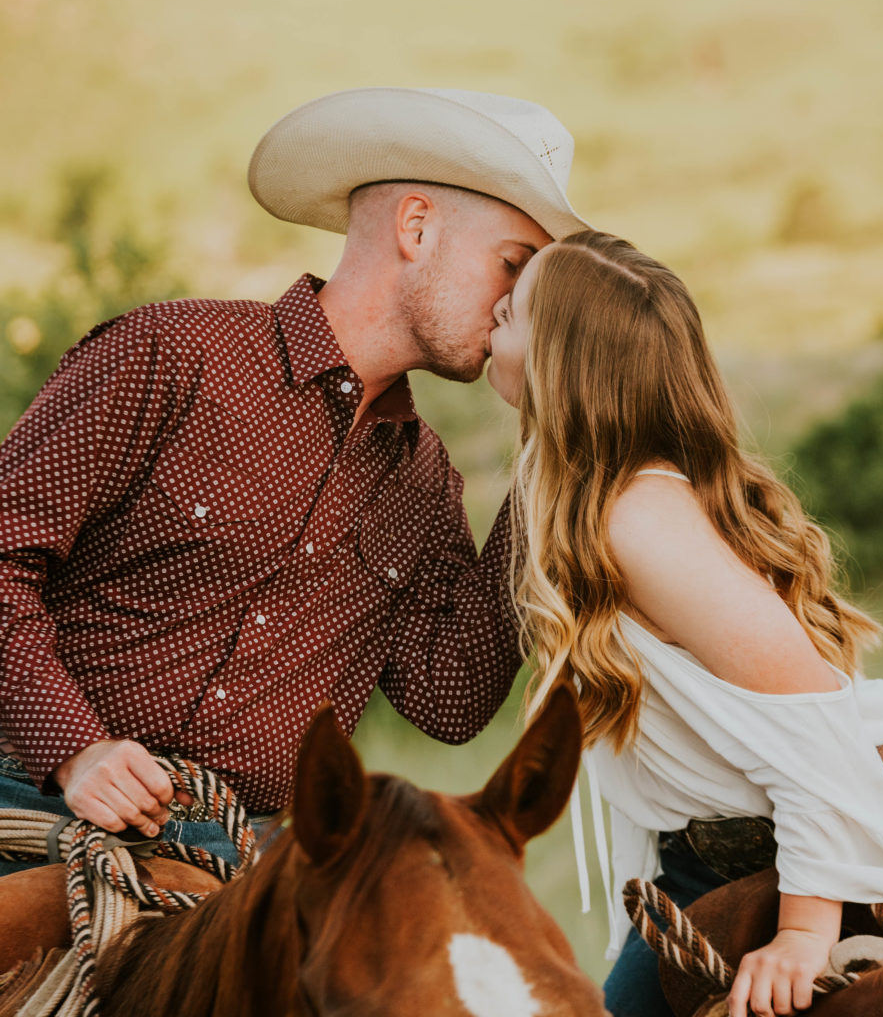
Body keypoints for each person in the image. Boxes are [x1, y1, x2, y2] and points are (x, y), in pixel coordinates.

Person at [486, 228, 883, 1017]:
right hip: (707, 868)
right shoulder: (584, 503)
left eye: (513, 310)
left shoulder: (638, 518)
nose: (494, 313)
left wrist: (805, 935)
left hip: (852, 822)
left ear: (557, 362)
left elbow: (816, 722)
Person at [0, 86, 590, 872]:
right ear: (416, 227)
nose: (515, 305)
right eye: (511, 266)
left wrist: (553, 452)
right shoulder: (171, 356)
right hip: (29, 805)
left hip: (238, 864)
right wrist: (77, 751)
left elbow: (447, 700)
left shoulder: (424, 483)